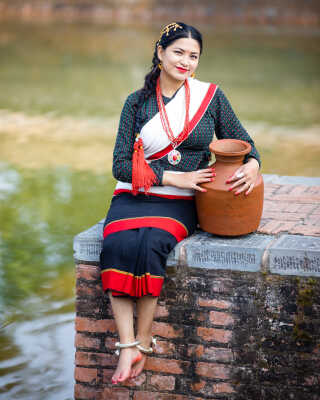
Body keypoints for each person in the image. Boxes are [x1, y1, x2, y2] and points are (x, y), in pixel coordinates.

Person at [99, 21, 261, 384]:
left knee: (152, 242)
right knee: (117, 242)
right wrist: (174, 176)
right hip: (136, 193)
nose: (186, 62)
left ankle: (142, 342)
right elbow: (120, 165)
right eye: (178, 53)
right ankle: (129, 346)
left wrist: (253, 166)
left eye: (194, 56)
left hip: (185, 200)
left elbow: (247, 143)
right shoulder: (136, 102)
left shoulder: (211, 97)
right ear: (160, 53)